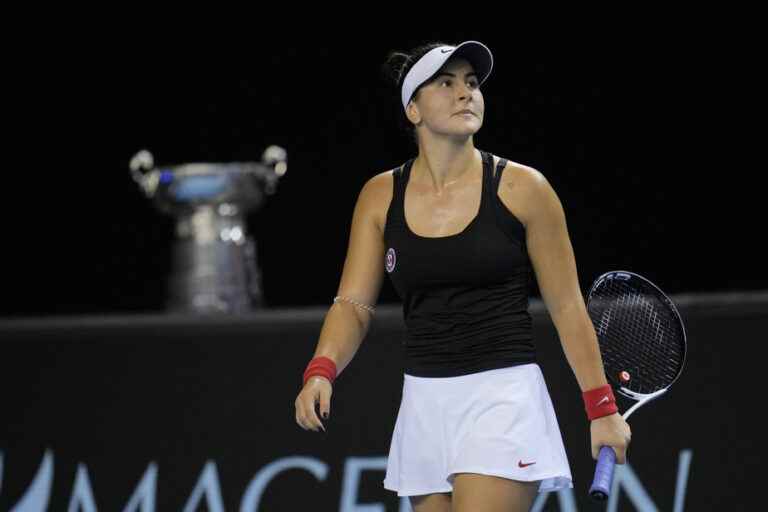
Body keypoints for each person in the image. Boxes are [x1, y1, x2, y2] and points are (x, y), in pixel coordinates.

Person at [294, 40, 632, 512]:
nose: (465, 94)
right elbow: (353, 304)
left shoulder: (525, 189)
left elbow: (567, 306)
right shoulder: (378, 196)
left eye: (472, 83)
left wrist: (602, 409)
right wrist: (321, 371)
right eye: (446, 83)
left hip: (503, 398)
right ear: (413, 109)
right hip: (423, 403)